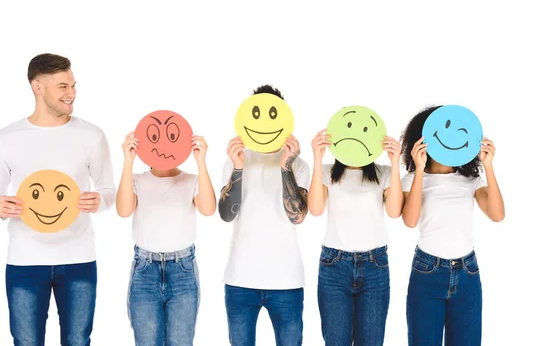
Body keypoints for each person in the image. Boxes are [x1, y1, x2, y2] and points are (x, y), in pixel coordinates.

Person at [0, 53, 116, 345]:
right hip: (25, 260)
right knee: (26, 341)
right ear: (37, 87)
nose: (72, 94)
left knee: (78, 340)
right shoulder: (6, 138)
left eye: (73, 85)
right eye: (63, 87)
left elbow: (109, 192)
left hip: (79, 258)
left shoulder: (92, 135)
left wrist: (99, 201)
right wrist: (0, 207)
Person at [400, 105, 505, 345]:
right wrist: (418, 169)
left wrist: (488, 166)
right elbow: (409, 221)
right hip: (427, 272)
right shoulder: (412, 180)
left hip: (467, 273)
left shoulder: (471, 180)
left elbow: (497, 215)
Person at [218, 85, 311, 346]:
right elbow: (226, 214)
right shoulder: (236, 159)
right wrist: (237, 168)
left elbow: (298, 216)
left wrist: (286, 167)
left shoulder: (299, 165)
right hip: (240, 281)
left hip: (287, 281)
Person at [116, 128, 216, 345]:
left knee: (181, 341)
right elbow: (123, 210)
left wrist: (201, 162)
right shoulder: (136, 179)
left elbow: (208, 209)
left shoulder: (191, 180)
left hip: (182, 270)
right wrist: (128, 162)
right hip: (145, 269)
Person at [308, 128, 404, 345]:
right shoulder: (326, 171)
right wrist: (316, 157)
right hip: (334, 265)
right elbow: (314, 209)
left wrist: (396, 163)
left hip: (375, 266)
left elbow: (394, 211)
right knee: (335, 341)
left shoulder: (384, 172)